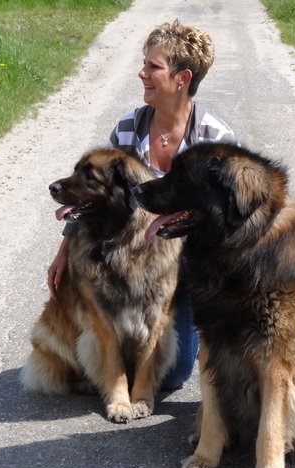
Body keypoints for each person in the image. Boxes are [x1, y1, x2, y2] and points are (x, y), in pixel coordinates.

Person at [47, 20, 238, 390]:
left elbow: (230, 218)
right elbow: (93, 194)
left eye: (154, 66)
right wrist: (64, 249)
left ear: (182, 78)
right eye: (144, 64)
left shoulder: (214, 138)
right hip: (133, 263)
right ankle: (103, 358)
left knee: (173, 375)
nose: (142, 73)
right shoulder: (128, 128)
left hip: (187, 272)